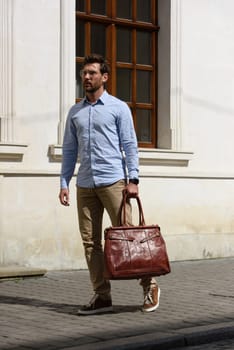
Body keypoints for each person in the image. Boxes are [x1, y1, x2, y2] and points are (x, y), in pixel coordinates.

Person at [59, 53, 160, 315]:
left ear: (104, 77)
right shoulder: (75, 112)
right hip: (85, 184)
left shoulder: (118, 107)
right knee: (90, 242)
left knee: (129, 237)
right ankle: (102, 295)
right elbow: (70, 150)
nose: (87, 77)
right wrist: (64, 182)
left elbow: (129, 145)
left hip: (114, 182)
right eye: (84, 73)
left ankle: (150, 285)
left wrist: (133, 179)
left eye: (92, 73)